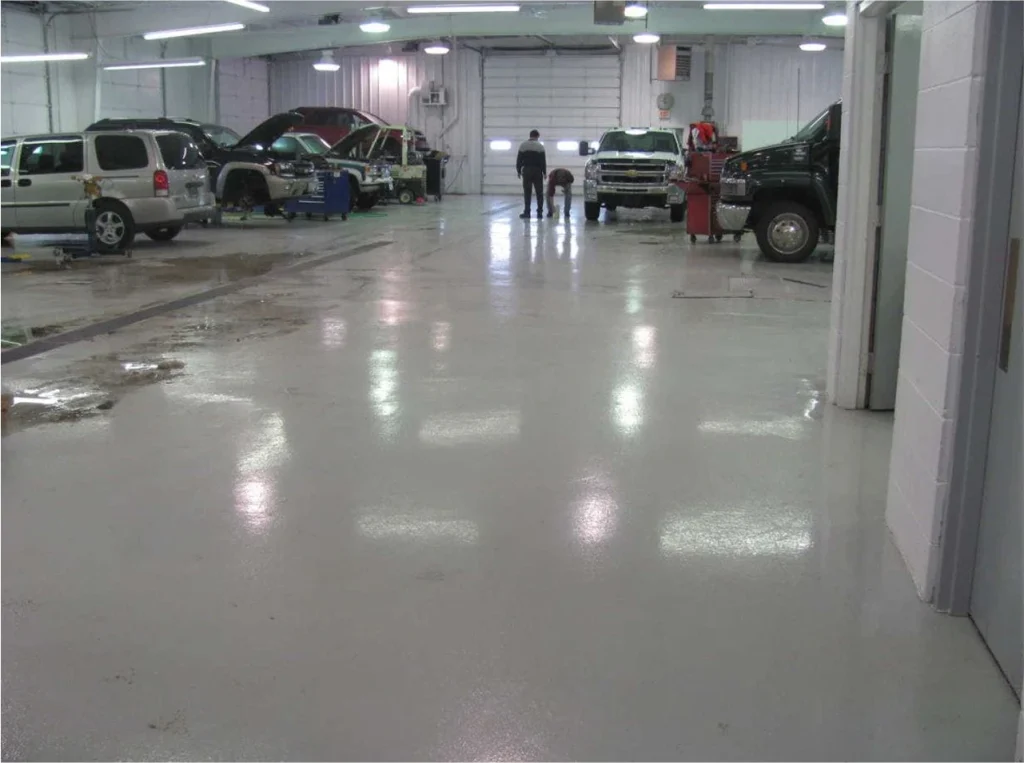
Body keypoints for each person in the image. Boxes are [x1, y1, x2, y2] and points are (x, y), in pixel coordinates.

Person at [516, 129, 546, 219]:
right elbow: (543, 161)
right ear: (537, 136)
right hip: (537, 171)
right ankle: (539, 213)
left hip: (527, 170)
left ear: (530, 135)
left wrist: (518, 170)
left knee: (527, 192)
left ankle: (527, 212)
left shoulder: (523, 145)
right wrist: (544, 172)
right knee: (539, 193)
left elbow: (519, 159)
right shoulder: (540, 146)